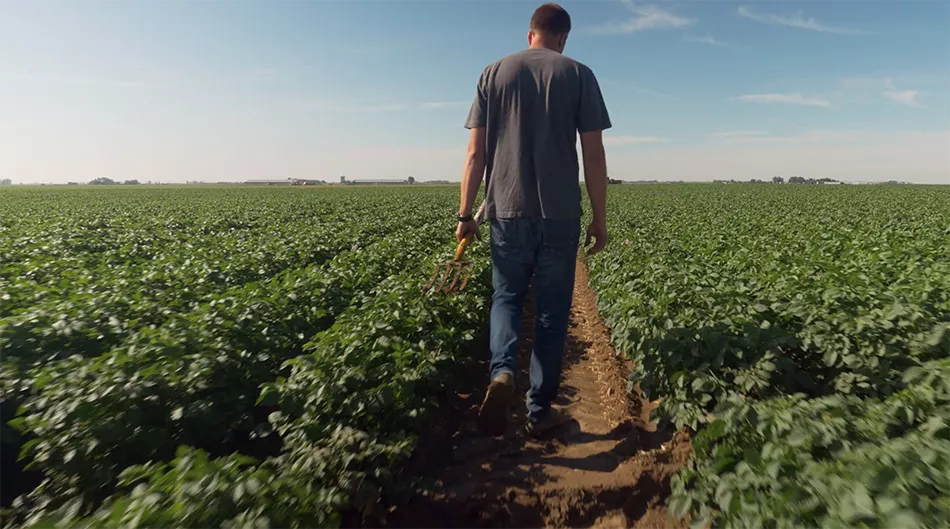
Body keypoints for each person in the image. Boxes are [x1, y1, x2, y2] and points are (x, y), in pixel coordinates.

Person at [455, 2, 612, 437]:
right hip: (560, 213)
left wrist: (466, 213)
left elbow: (474, 154)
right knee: (552, 312)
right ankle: (539, 411)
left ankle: (502, 373)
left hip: (506, 209)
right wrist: (600, 218)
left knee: (506, 298)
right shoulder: (579, 74)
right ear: (563, 38)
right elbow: (594, 154)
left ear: (530, 34)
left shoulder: (493, 74)